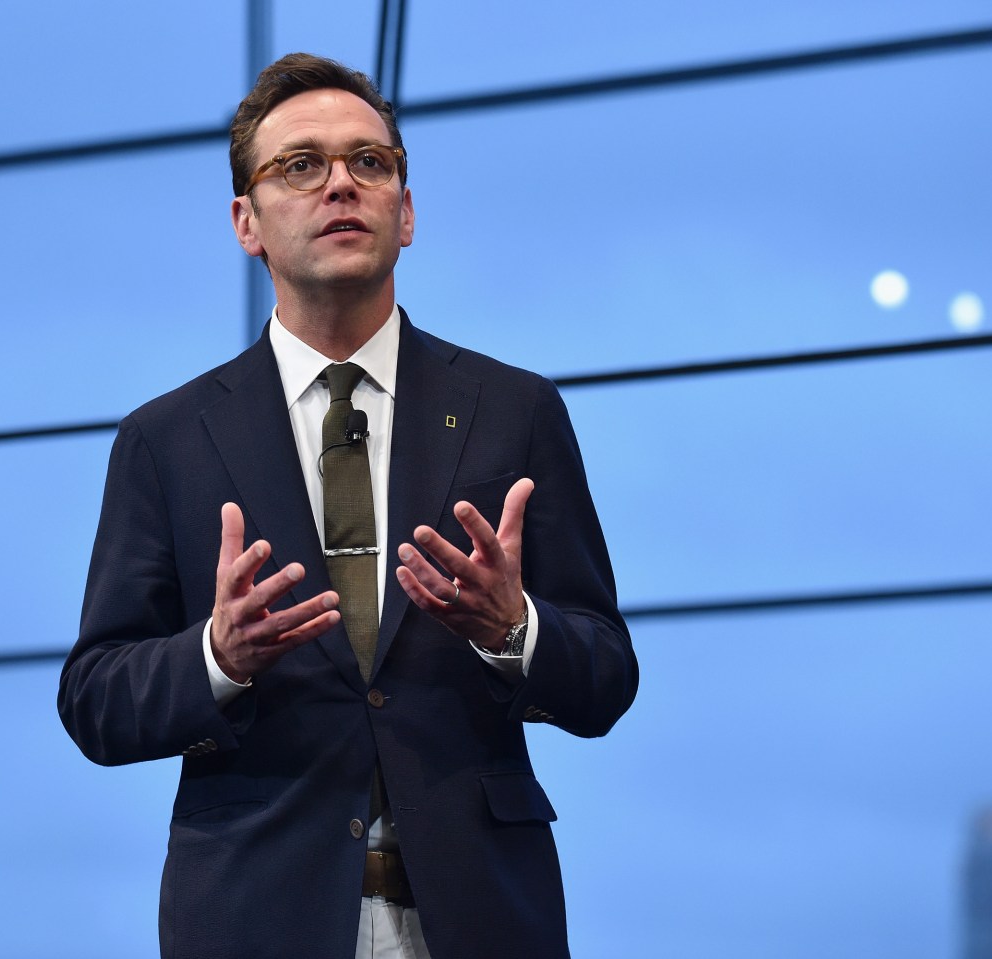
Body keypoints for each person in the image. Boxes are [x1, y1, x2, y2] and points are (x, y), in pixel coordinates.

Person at [58, 53, 638, 959]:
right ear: (246, 223)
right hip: (256, 917)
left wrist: (511, 625)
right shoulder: (164, 440)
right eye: (301, 165)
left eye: (370, 163)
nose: (341, 184)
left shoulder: (515, 410)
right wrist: (220, 653)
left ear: (406, 213)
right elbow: (96, 699)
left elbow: (605, 675)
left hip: (483, 915)